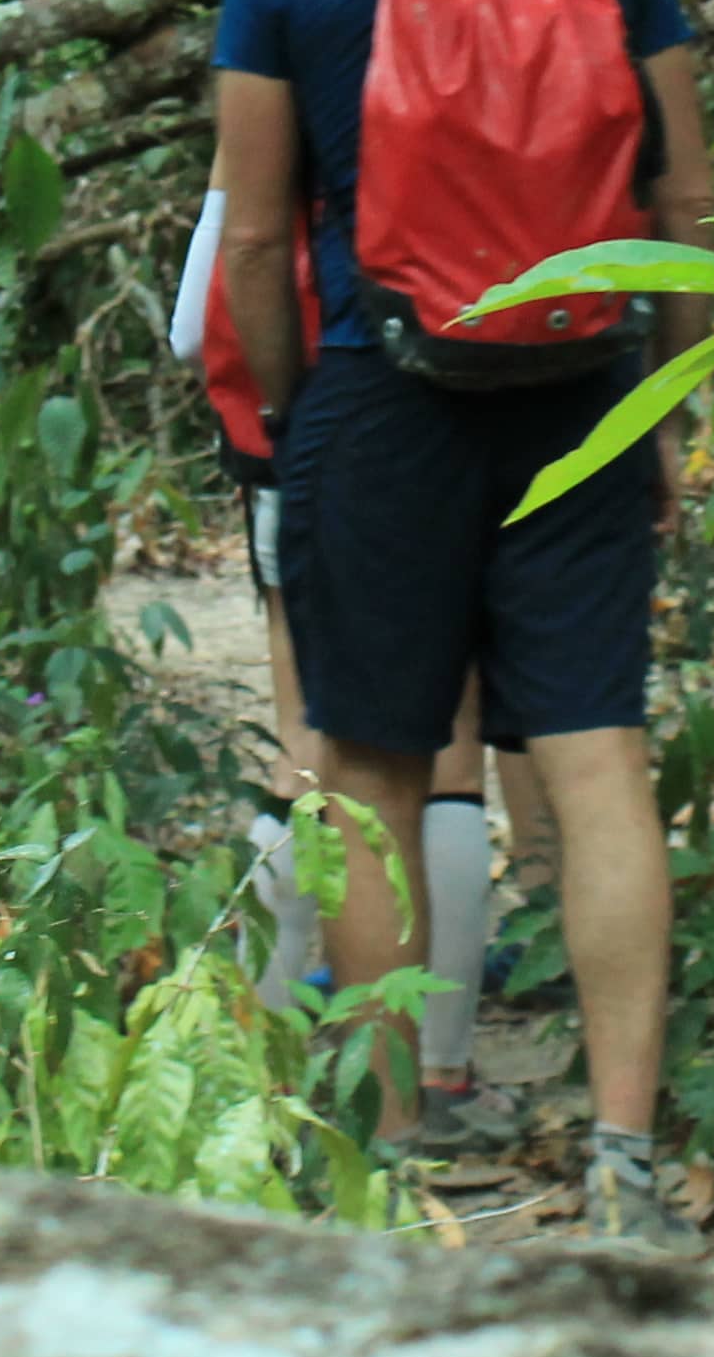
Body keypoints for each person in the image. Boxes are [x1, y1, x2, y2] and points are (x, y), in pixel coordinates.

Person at [206, 0, 714, 1250]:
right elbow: (684, 193)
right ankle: (626, 1155)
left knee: (363, 767)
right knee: (595, 756)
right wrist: (673, 397)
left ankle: (394, 1147)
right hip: (582, 390)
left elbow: (254, 235)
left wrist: (300, 423)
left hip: (382, 390)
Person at [168, 201, 546, 1154]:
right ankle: (442, 1074)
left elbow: (197, 316)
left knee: (313, 750)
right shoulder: (505, 46)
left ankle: (254, 1073)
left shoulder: (293, 73)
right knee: (450, 759)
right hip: (488, 409)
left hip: (323, 430)